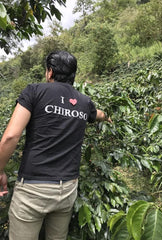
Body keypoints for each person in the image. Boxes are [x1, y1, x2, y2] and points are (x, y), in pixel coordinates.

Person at [0, 50, 112, 240]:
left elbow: (11, 136)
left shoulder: (34, 91)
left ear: (50, 72)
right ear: (73, 75)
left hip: (33, 190)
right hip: (67, 189)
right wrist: (109, 118)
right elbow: (99, 114)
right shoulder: (84, 102)